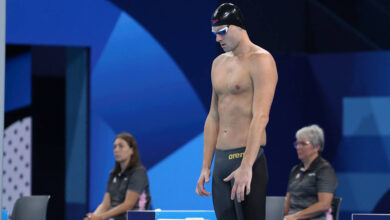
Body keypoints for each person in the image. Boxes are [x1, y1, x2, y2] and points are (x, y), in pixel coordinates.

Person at [195, 3, 278, 220]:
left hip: (246, 157)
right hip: (221, 162)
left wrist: (246, 166)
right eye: (214, 33)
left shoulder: (261, 60)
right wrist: (206, 165)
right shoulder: (218, 64)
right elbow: (213, 116)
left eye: (222, 32)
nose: (218, 39)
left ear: (238, 27)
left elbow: (261, 116)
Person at [84, 133, 151, 220]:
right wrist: (92, 217)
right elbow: (105, 204)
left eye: (121, 146)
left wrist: (100, 217)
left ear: (132, 150)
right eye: (114, 147)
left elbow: (128, 204)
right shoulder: (113, 175)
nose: (116, 150)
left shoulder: (139, 173)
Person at [284, 125, 338, 220]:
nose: (298, 147)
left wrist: (296, 216)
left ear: (316, 147)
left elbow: (324, 204)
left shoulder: (325, 170)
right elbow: (288, 201)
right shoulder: (295, 170)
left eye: (303, 144)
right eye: (297, 143)